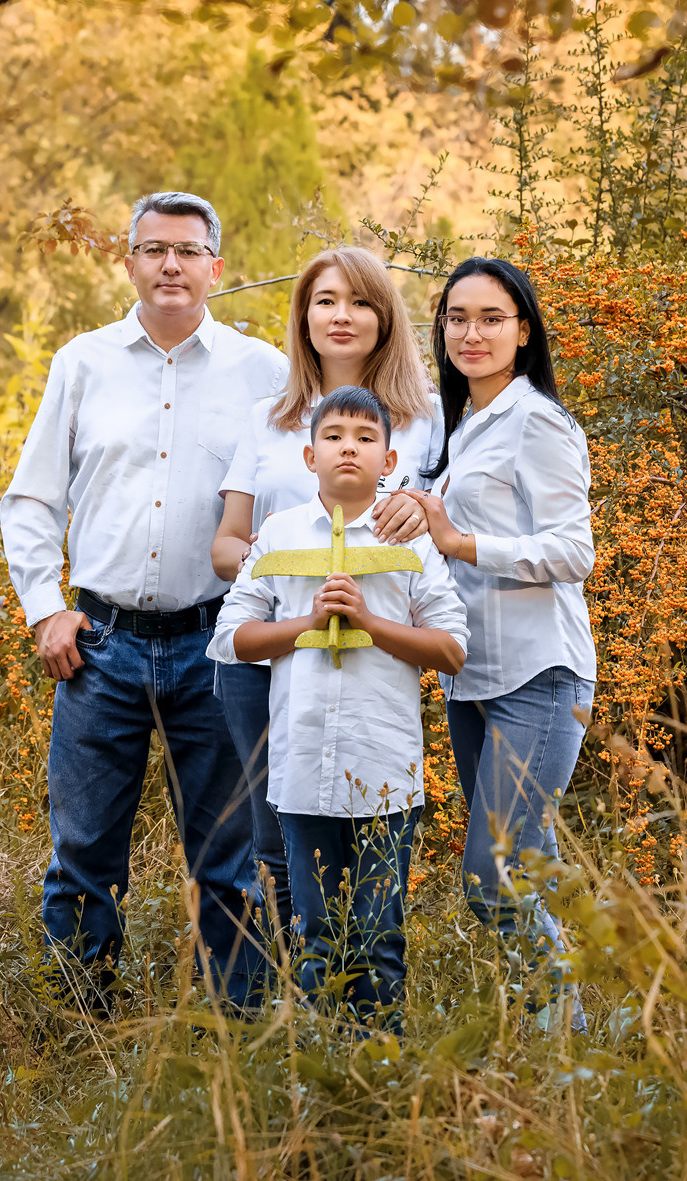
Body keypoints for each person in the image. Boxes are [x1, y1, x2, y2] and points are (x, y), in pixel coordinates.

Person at [0, 191, 285, 1013]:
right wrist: (43, 608)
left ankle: (239, 1031)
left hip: (216, 642)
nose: (170, 264)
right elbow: (31, 500)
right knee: (83, 852)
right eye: (154, 248)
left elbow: (297, 489)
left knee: (228, 856)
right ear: (128, 261)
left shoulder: (261, 371)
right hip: (100, 644)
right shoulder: (82, 362)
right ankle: (77, 1027)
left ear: (216, 269)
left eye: (188, 251)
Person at [209, 387, 467, 1029]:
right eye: (333, 436)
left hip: (383, 775)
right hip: (301, 775)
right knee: (316, 931)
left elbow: (452, 648)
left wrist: (370, 622)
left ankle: (380, 1073)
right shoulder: (278, 534)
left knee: (379, 938)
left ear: (388, 460)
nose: (347, 447)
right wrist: (308, 620)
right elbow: (231, 637)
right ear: (308, 454)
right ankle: (321, 1074)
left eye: (363, 437)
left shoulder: (405, 537)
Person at [209, 247, 437, 939]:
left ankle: (361, 997)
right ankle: (293, 1009)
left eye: (361, 301)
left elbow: (441, 531)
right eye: (326, 301)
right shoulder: (268, 418)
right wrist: (282, 570)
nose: (342, 316)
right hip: (270, 655)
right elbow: (227, 542)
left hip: (374, 653)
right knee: (275, 837)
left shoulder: (425, 418)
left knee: (368, 827)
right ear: (303, 316)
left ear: (385, 316)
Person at [400, 256, 597, 1020]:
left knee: (494, 877)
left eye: (491, 318)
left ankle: (569, 1034)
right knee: (525, 868)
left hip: (538, 674)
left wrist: (461, 541)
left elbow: (575, 552)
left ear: (524, 330)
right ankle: (578, 1035)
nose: (471, 332)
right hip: (472, 678)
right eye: (457, 317)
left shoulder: (537, 420)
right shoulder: (464, 427)